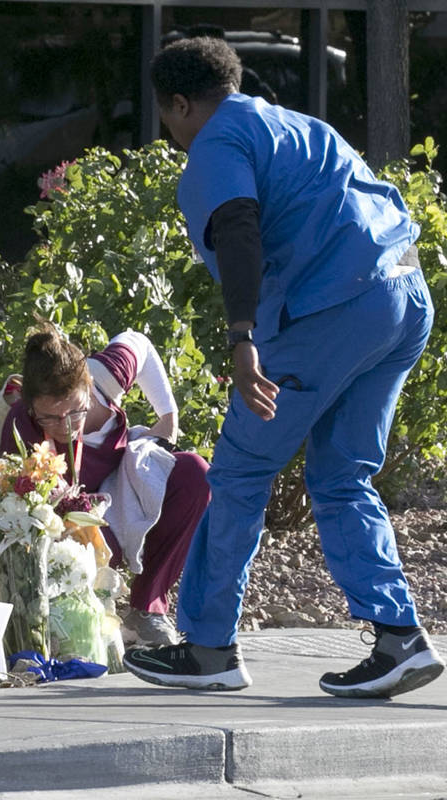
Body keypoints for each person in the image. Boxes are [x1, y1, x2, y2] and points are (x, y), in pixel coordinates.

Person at [123, 36, 444, 698]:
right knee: (339, 473)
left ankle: (209, 649)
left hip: (334, 309)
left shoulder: (215, 145)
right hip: (403, 297)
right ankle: (399, 642)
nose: (172, 131)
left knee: (239, 473)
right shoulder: (291, 122)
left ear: (180, 105)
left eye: (167, 117)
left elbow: (237, 228)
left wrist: (242, 338)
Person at [0, 323, 211, 647]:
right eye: (50, 418)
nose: (65, 425)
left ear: (88, 385)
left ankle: (147, 609)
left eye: (75, 411)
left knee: (195, 474)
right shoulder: (22, 427)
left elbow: (139, 344)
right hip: (72, 517)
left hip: (121, 481)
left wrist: (169, 415)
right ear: (32, 408)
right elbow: (34, 517)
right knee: (92, 551)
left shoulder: (104, 375)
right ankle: (85, 622)